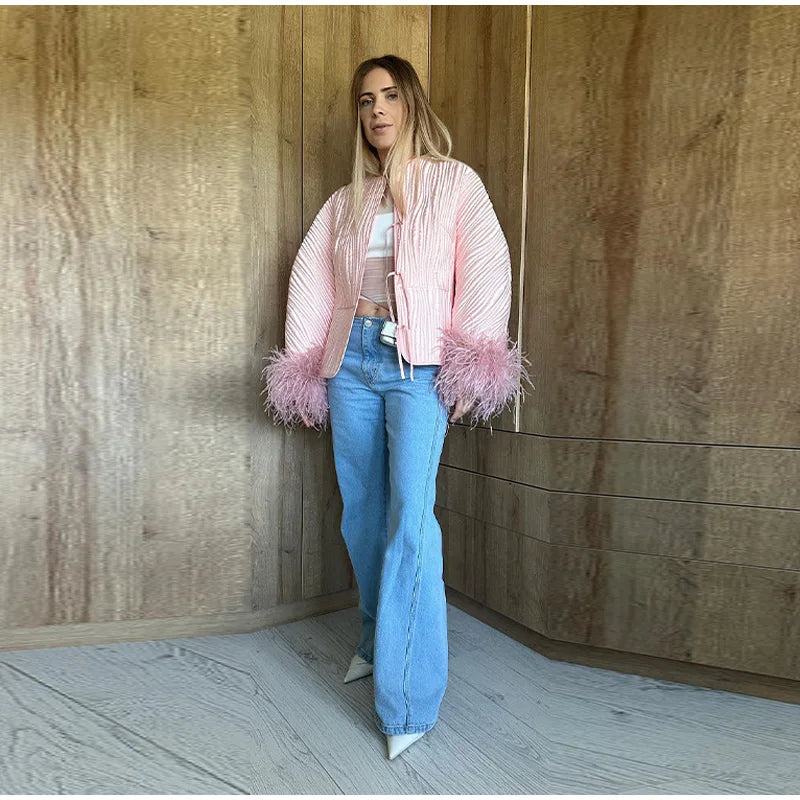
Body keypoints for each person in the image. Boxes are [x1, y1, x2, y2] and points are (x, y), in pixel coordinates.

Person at [262, 55, 534, 760]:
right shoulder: (347, 199)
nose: (376, 109)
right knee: (362, 512)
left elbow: (485, 269)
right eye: (365, 100)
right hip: (350, 360)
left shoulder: (454, 182)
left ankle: (408, 698)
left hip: (419, 365)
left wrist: (474, 358)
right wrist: (306, 366)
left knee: (411, 519)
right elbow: (312, 279)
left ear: (411, 102)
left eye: (388, 96)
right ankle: (373, 640)